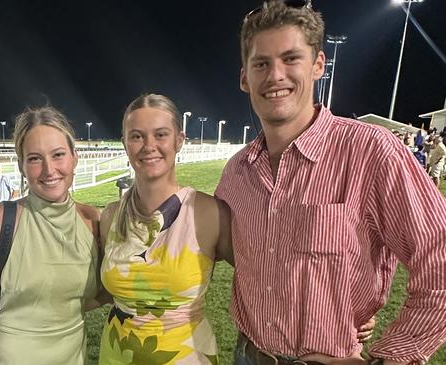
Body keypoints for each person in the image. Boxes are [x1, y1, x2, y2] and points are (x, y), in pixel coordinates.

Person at [215, 1, 446, 364]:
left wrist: (392, 356)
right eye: (261, 63)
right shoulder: (236, 174)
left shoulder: (371, 152)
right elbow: (239, 255)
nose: (275, 74)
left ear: (319, 65)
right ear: (245, 77)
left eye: (291, 58)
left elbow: (439, 257)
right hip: (249, 354)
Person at [98, 94, 233, 364]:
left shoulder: (208, 213)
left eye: (160, 134)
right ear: (125, 144)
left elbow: (257, 279)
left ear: (179, 141)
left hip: (185, 356)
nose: (149, 146)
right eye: (137, 136)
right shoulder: (111, 216)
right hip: (116, 355)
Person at [0, 106, 105, 365]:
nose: (49, 169)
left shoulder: (95, 222)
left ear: (75, 158)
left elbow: (111, 291)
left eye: (58, 155)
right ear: (21, 166)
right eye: (34, 158)